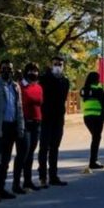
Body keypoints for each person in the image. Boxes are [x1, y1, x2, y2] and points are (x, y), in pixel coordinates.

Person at [0, 59, 24, 202]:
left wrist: (21, 127)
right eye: (5, 68)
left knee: (6, 160)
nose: (7, 71)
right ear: (0, 69)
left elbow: (19, 109)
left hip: (11, 126)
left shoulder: (15, 87)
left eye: (10, 68)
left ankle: (1, 188)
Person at [38, 56, 70, 187]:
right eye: (55, 64)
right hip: (46, 117)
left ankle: (53, 175)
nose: (58, 66)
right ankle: (42, 177)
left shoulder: (65, 81)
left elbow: (62, 97)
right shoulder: (44, 79)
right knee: (44, 147)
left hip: (58, 118)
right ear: (51, 65)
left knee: (55, 147)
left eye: (60, 64)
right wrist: (51, 76)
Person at [14, 62, 43, 193]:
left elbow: (40, 103)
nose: (34, 73)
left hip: (36, 123)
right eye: (31, 71)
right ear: (26, 72)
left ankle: (28, 181)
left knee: (31, 153)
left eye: (36, 71)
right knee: (23, 153)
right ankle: (16, 183)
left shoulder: (38, 87)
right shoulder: (20, 86)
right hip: (24, 122)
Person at [80, 72, 104, 170]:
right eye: (98, 78)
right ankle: (93, 161)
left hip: (87, 117)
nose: (99, 80)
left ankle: (93, 160)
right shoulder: (99, 89)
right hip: (97, 116)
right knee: (96, 138)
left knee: (95, 137)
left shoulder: (84, 90)